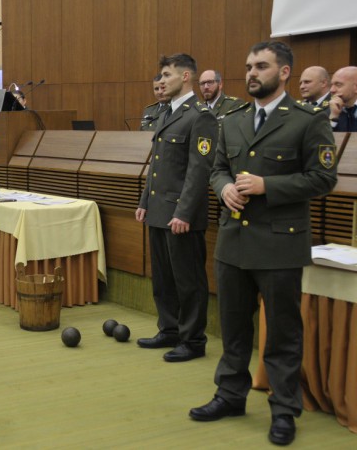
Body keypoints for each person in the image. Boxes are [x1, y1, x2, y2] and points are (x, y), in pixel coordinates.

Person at [190, 41, 337, 446]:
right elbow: (218, 168)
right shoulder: (233, 119)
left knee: (283, 335)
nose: (251, 72)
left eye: (261, 66)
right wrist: (223, 190)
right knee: (233, 329)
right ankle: (230, 395)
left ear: (285, 72)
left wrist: (265, 185)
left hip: (279, 245)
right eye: (248, 65)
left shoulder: (307, 120)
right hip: (234, 241)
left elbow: (323, 179)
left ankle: (285, 410)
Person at [135, 54, 217, 362]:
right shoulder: (167, 113)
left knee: (188, 280)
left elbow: (199, 171)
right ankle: (168, 329)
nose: (161, 80)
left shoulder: (200, 116)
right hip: (159, 210)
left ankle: (193, 340)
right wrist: (145, 201)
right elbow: (158, 165)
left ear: (185, 77)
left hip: (181, 215)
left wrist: (183, 212)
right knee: (163, 278)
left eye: (167, 75)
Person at [327, 66, 357, 132]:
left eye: (338, 85)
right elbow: (323, 140)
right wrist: (334, 117)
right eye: (331, 85)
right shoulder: (329, 112)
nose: (332, 90)